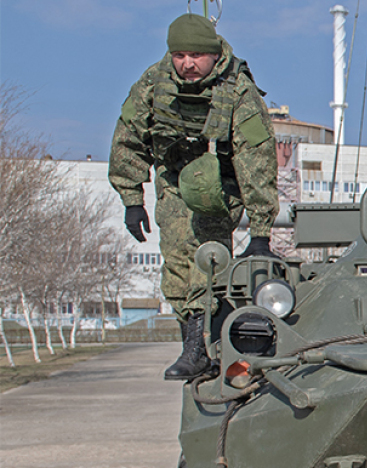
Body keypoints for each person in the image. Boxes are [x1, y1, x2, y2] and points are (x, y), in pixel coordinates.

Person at [109, 13, 278, 380]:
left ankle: (202, 348)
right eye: (180, 55)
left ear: (214, 55)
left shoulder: (238, 92)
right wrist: (131, 199)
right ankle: (193, 343)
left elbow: (257, 160)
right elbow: (128, 138)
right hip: (173, 179)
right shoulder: (153, 84)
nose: (187, 64)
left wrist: (261, 230)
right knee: (176, 263)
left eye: (196, 56)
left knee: (207, 260)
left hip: (220, 182)